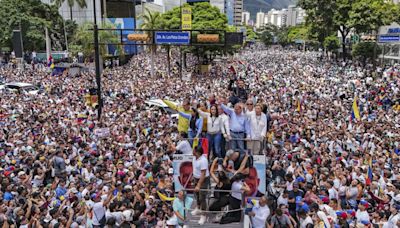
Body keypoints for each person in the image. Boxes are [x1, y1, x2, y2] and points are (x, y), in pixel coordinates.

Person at [191, 146, 210, 225]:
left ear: (198, 153)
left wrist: (199, 185)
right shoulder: (194, 158)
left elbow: (203, 174)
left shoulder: (203, 160)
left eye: (194, 151)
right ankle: (198, 208)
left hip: (203, 180)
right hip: (196, 178)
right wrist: (193, 177)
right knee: (196, 195)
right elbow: (195, 168)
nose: (192, 151)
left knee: (202, 197)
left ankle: (203, 215)